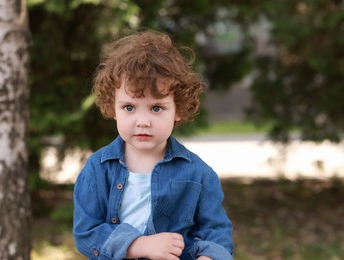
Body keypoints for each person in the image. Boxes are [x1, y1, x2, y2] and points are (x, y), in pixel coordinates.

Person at [73, 30, 234, 260]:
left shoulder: (199, 175)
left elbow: (216, 233)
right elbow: (86, 233)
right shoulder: (97, 169)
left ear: (178, 109)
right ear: (113, 107)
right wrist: (139, 245)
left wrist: (208, 256)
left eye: (156, 108)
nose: (142, 122)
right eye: (129, 107)